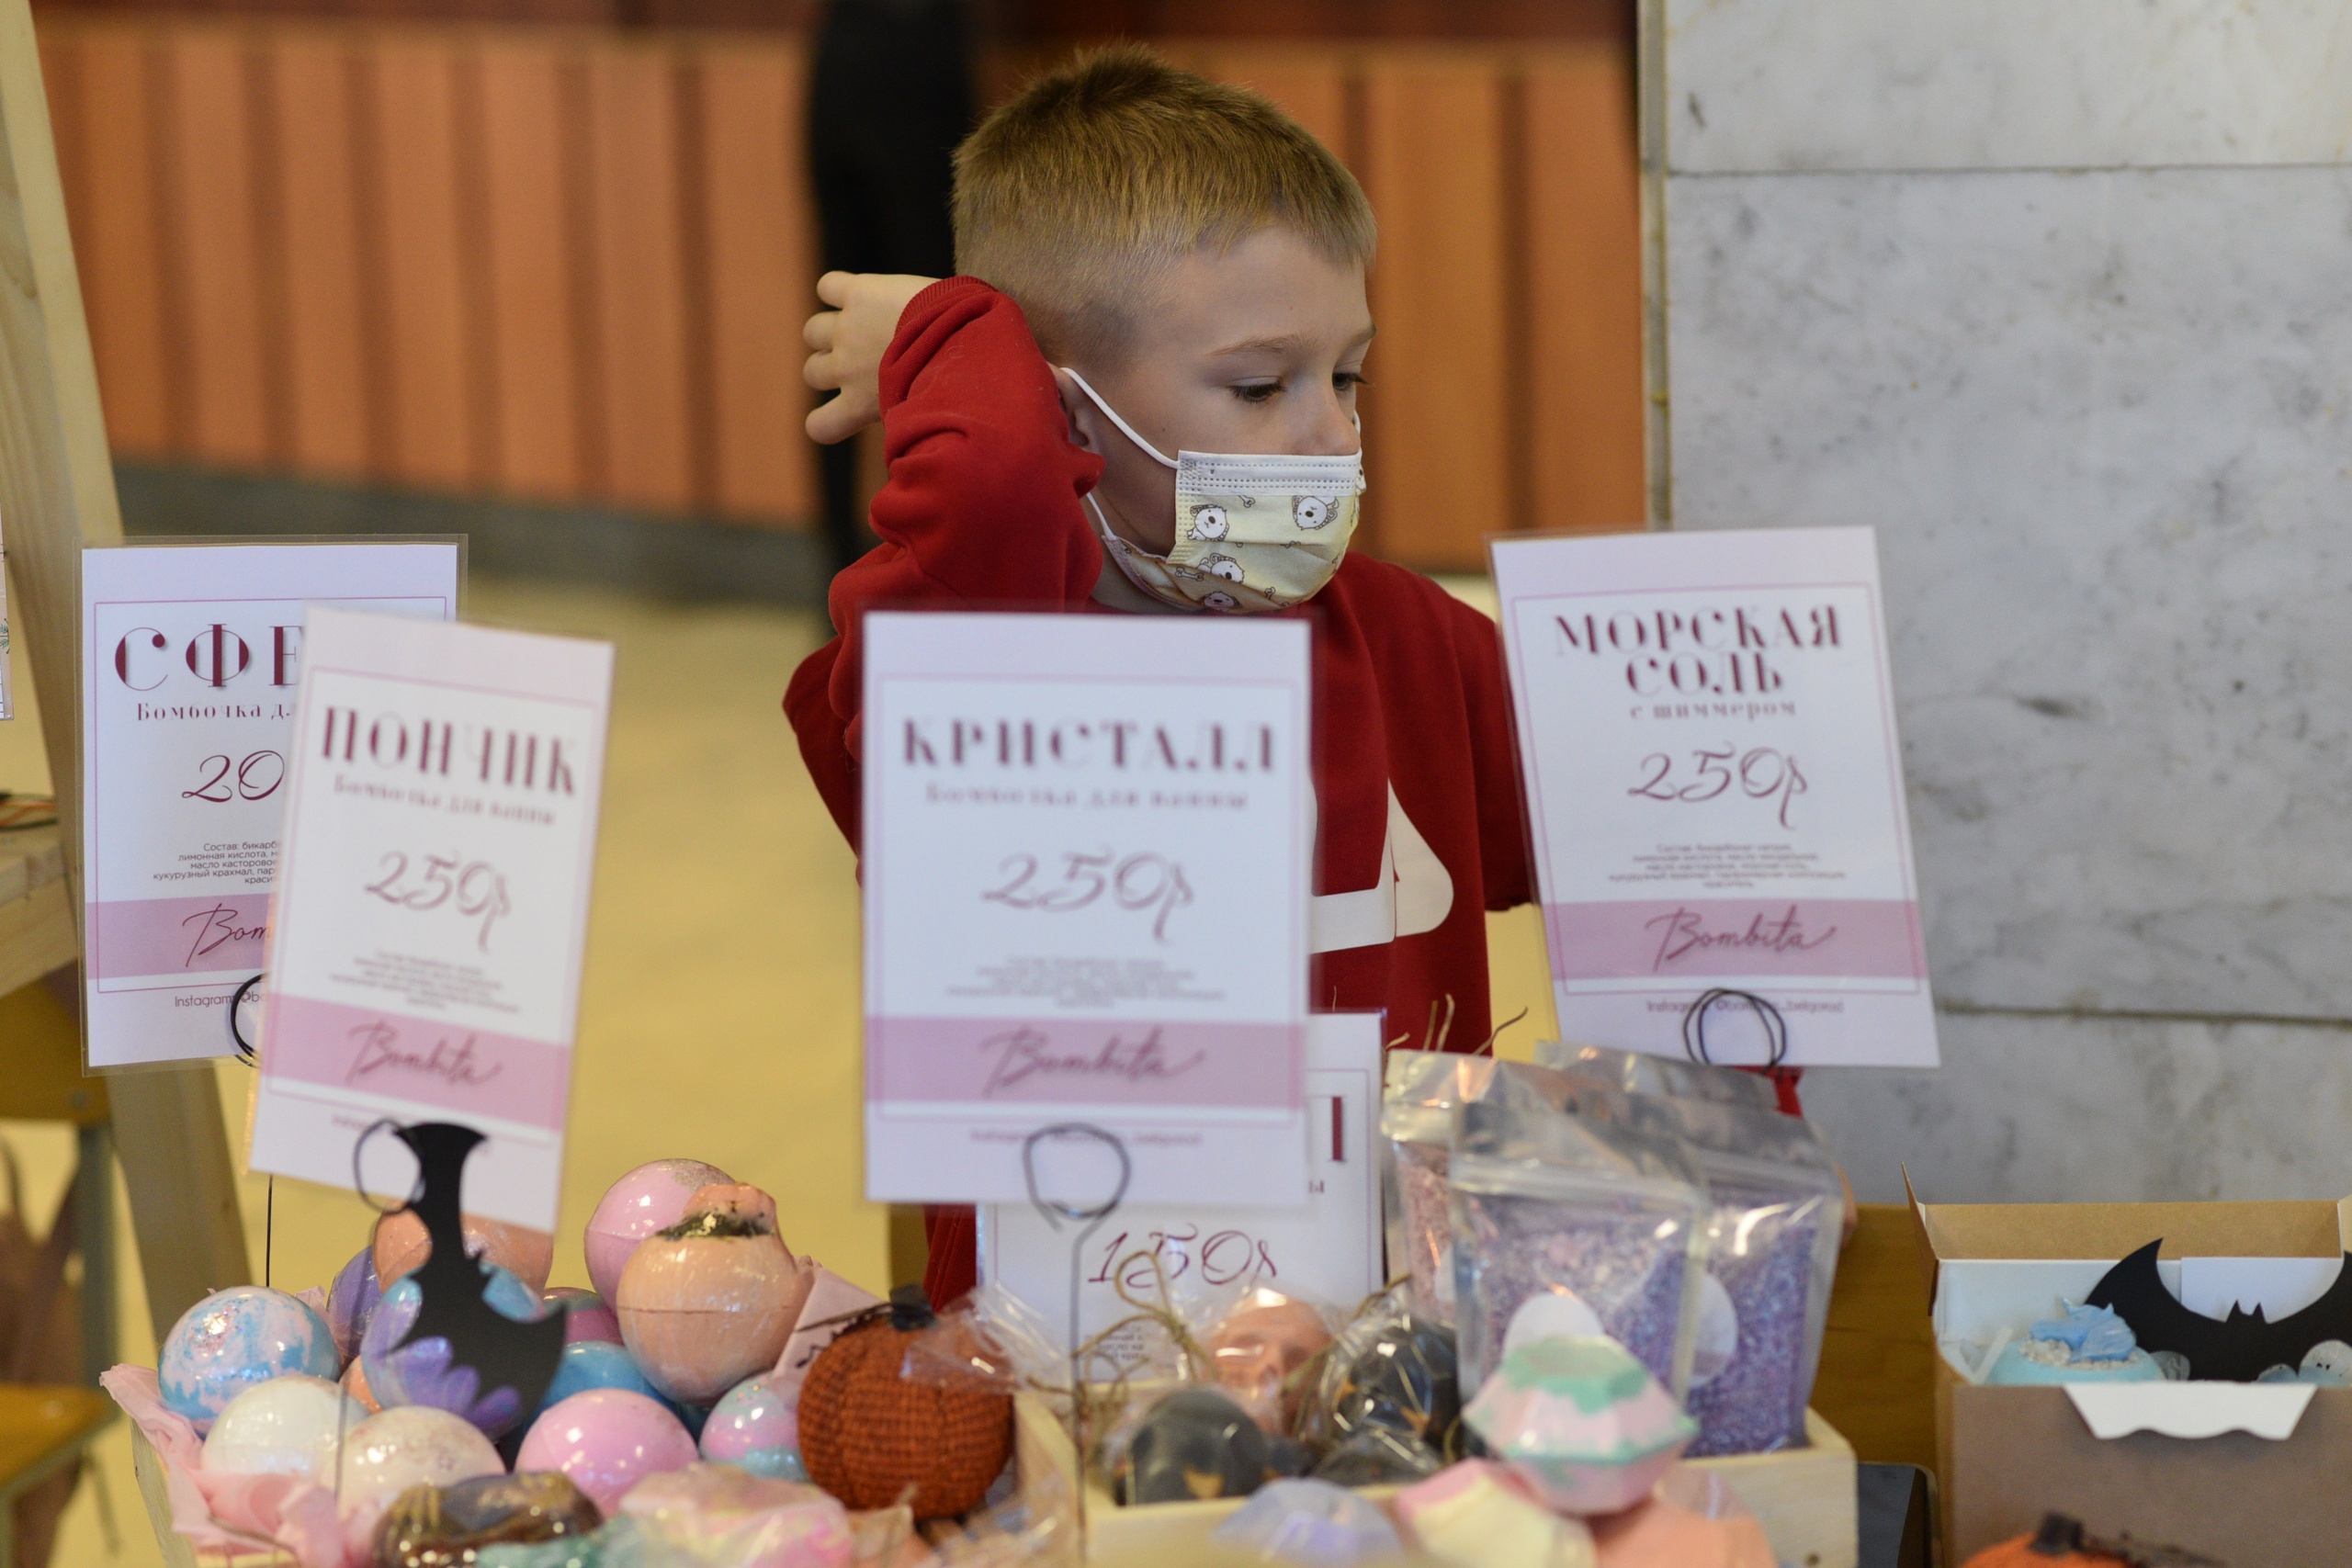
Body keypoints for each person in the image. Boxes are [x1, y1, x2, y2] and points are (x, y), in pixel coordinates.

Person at [786, 45, 1536, 1307]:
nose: (1334, 433)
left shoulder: (1412, 638)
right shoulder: (976, 645)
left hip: (1389, 1349)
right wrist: (950, 341)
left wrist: (1747, 1129)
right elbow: (989, 486)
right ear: (1064, 415)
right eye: (1260, 385)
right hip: (1063, 1350)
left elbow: (1646, 856)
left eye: (1347, 373)